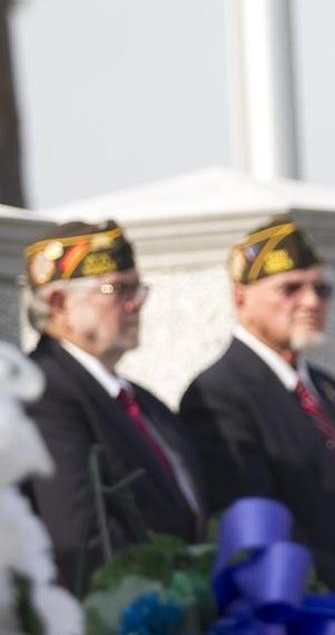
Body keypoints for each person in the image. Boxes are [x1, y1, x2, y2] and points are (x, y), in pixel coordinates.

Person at [178, 217, 335, 635]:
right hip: (304, 616)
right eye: (291, 289)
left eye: (321, 289)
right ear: (240, 299)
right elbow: (257, 524)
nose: (311, 302)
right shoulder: (219, 394)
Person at [23, 221, 204, 595]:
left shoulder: (142, 400)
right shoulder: (45, 391)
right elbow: (79, 539)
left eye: (136, 288)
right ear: (59, 304)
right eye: (116, 289)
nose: (135, 302)